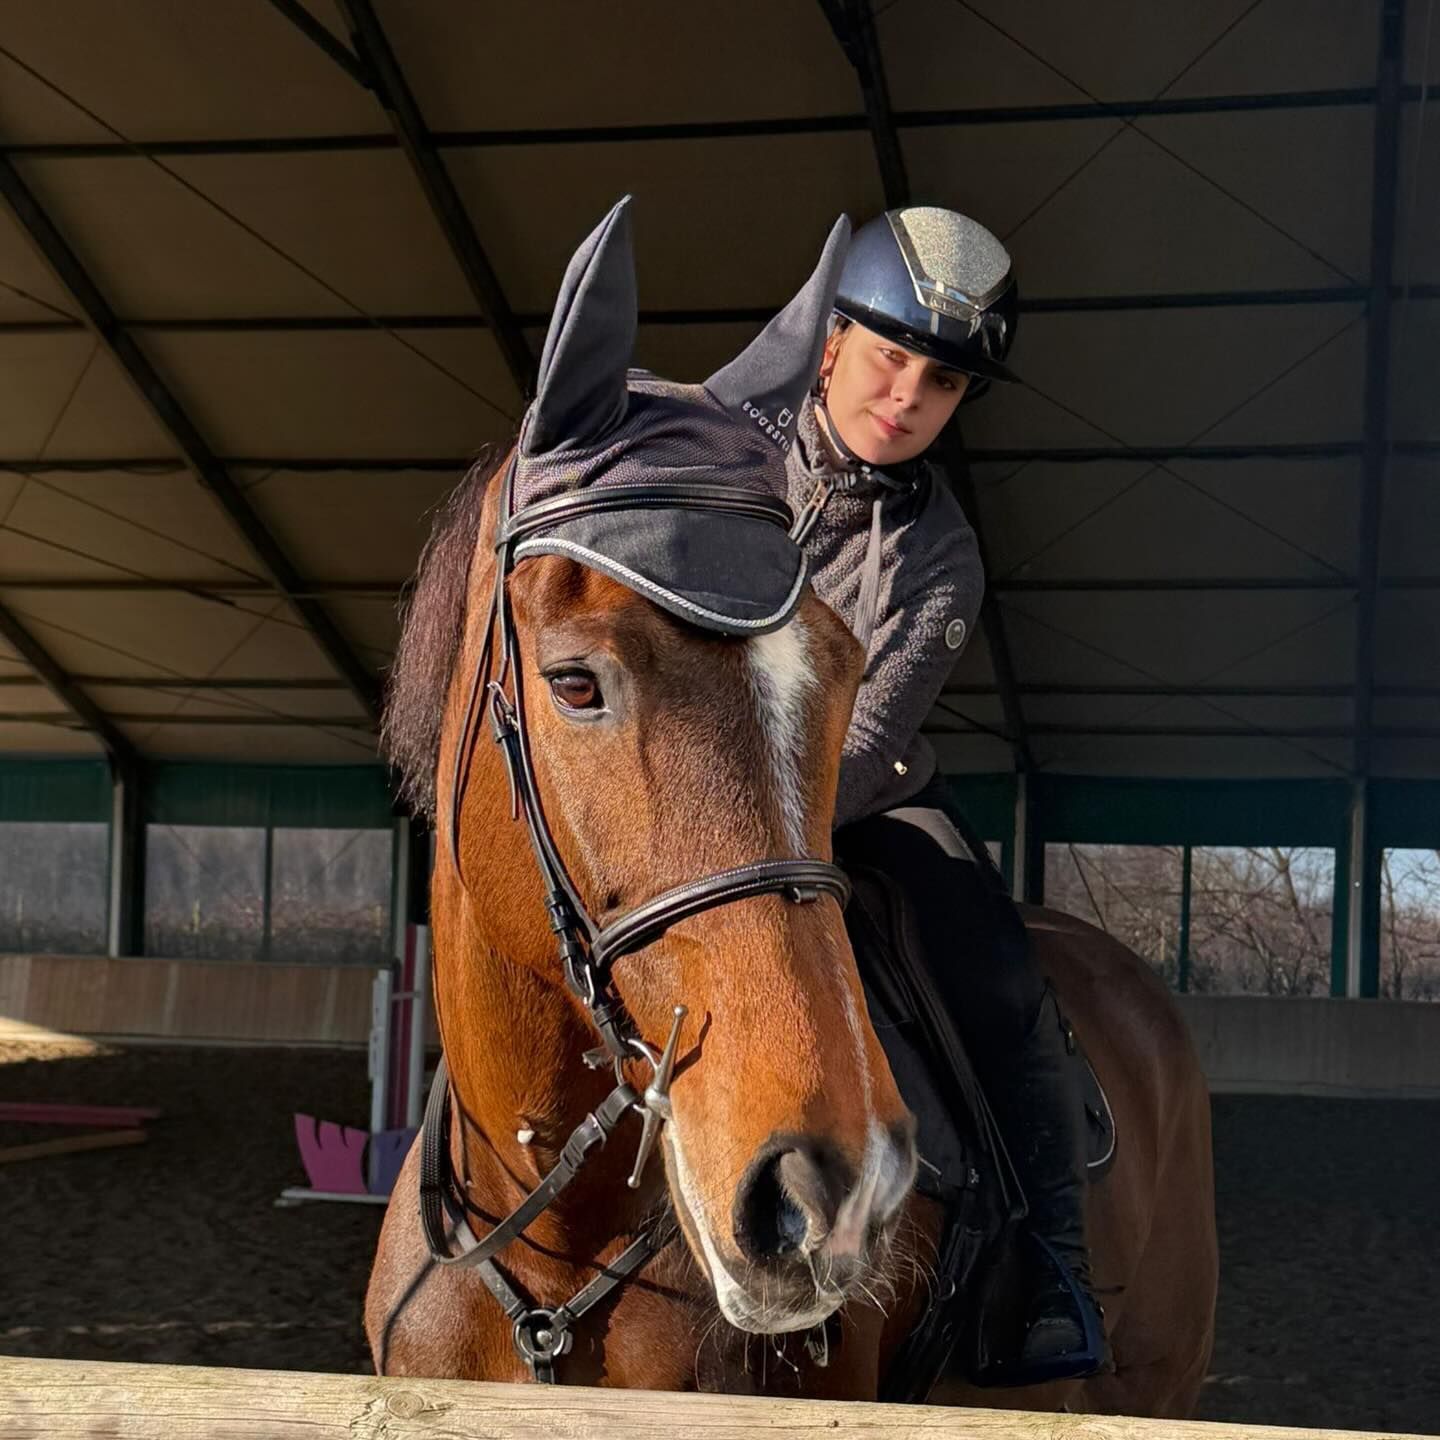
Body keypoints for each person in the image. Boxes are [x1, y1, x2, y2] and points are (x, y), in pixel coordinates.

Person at [785, 205, 1106, 1378]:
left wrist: (763, 833)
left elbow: (870, 737)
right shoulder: (720, 457)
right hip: (693, 795)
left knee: (995, 963)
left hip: (862, 797)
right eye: (890, 358)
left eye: (944, 382)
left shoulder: (941, 557)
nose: (908, 397)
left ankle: (1053, 1264)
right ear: (833, 345)